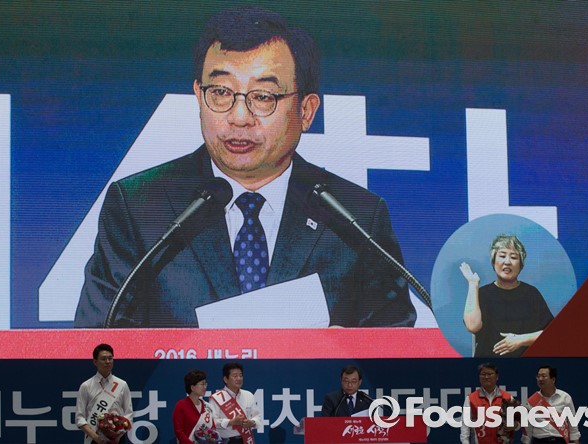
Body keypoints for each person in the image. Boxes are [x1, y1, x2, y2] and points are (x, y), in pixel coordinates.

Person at [74, 6, 416, 328]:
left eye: (263, 97)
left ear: (306, 111)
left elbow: (395, 352)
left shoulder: (356, 218)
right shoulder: (138, 207)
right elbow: (100, 345)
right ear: (198, 96)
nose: (239, 118)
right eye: (221, 92)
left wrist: (344, 356)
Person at [460, 234, 554, 357]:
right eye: (502, 256)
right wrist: (473, 284)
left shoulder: (531, 294)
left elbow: (551, 335)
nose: (507, 262)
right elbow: (472, 326)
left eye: (513, 257)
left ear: (520, 265)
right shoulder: (483, 293)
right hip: (487, 365)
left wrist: (520, 340)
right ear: (494, 262)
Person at [76, 343, 133, 444]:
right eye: (103, 359)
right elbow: (79, 418)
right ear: (95, 361)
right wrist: (96, 438)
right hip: (94, 439)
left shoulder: (122, 385)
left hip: (118, 440)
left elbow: (129, 413)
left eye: (110, 358)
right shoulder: (86, 386)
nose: (107, 362)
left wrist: (117, 435)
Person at [460, 363, 519, 444]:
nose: (486, 377)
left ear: (497, 377)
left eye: (490, 374)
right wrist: (465, 442)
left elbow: (518, 421)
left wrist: (515, 425)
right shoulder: (470, 398)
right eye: (483, 374)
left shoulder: (508, 397)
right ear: (479, 377)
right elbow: (465, 424)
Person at [521, 366, 581, 444]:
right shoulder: (532, 401)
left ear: (553, 380)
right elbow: (528, 427)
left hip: (559, 441)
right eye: (538, 376)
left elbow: (572, 422)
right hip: (539, 441)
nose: (540, 379)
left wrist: (575, 440)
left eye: (544, 376)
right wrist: (526, 442)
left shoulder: (565, 397)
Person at [209, 362, 262, 443]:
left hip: (246, 439)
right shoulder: (217, 398)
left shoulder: (248, 395)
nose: (239, 379)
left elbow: (257, 416)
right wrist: (231, 422)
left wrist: (252, 422)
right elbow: (212, 422)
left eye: (240, 375)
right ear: (225, 379)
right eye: (235, 376)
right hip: (226, 441)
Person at [173, 369, 217, 444]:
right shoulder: (181, 406)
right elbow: (179, 431)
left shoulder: (208, 406)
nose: (205, 387)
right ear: (192, 387)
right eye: (202, 384)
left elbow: (213, 429)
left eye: (205, 384)